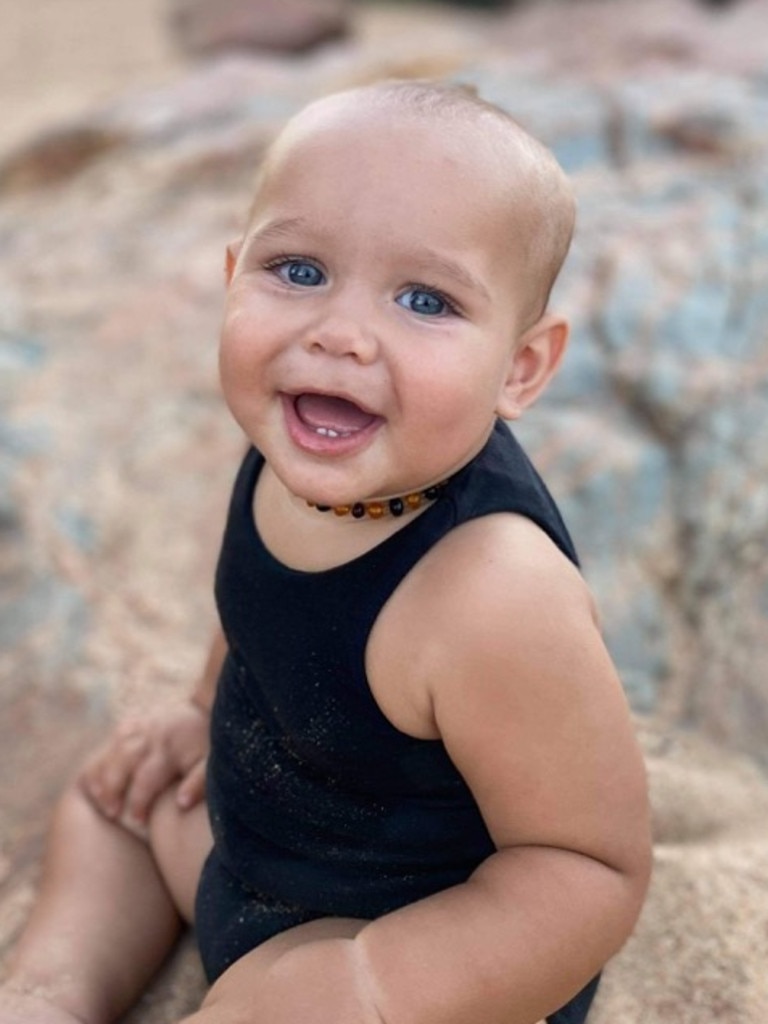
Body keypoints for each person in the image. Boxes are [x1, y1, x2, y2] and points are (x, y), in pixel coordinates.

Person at [0, 79, 652, 1024]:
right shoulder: (302, 445)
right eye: (299, 272)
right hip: (254, 839)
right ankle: (50, 991)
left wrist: (378, 982)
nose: (339, 335)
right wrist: (195, 711)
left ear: (520, 367)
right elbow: (262, 618)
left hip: (406, 935)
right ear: (233, 277)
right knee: (117, 799)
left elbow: (591, 867)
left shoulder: (492, 593)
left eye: (425, 299)